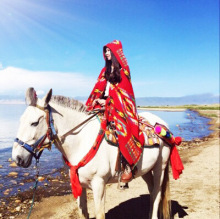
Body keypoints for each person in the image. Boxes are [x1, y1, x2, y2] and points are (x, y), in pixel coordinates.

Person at [86, 40, 145, 183]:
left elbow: (123, 93)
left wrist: (106, 102)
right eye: (105, 51)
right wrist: (94, 100)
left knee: (121, 129)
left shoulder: (124, 70)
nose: (106, 54)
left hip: (120, 106)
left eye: (109, 51)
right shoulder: (104, 71)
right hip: (107, 103)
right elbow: (98, 88)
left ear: (115, 52)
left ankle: (127, 166)